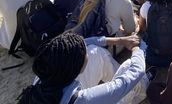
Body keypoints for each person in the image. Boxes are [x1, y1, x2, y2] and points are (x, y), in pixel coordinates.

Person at [17, 32, 147, 104]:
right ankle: (146, 86)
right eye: (83, 53)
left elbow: (88, 41)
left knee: (95, 51)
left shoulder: (46, 74)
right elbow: (126, 80)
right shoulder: (81, 100)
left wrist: (120, 40)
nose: (86, 52)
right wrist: (138, 49)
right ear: (76, 66)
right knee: (130, 69)